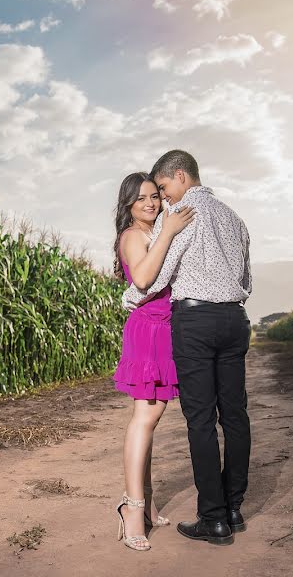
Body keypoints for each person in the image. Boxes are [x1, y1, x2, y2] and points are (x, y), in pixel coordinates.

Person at [123, 150, 252, 547]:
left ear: (180, 176)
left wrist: (131, 297)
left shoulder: (180, 215)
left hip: (195, 321)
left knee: (200, 419)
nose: (164, 198)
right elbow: (247, 275)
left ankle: (212, 518)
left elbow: (157, 276)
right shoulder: (234, 217)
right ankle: (234, 508)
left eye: (163, 188)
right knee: (235, 414)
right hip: (234, 318)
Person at [112, 172, 196, 551]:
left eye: (154, 196)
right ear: (128, 204)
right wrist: (169, 231)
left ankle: (145, 502)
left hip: (164, 329)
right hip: (148, 332)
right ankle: (132, 509)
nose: (151, 203)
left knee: (152, 420)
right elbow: (143, 279)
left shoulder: (150, 232)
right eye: (142, 198)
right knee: (144, 417)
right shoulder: (133, 236)